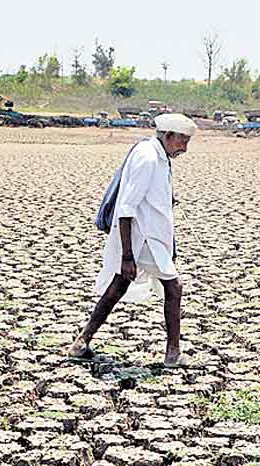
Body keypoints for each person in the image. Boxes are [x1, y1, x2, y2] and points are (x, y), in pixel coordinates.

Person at [68, 114, 197, 367]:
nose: (184, 148)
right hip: (143, 238)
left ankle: (81, 343)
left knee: (118, 287)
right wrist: (127, 255)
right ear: (168, 136)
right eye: (182, 141)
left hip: (147, 236)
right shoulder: (149, 158)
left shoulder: (154, 153)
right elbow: (126, 207)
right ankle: (173, 354)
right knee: (174, 288)